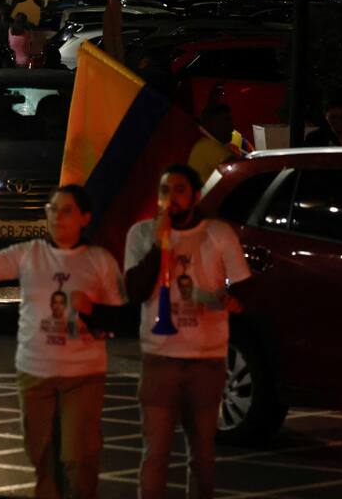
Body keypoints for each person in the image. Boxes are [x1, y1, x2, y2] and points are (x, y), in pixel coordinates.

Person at [0, 186, 126, 499]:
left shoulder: (99, 261)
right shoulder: (30, 253)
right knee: (40, 455)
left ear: (85, 218)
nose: (57, 217)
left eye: (67, 210)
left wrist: (93, 311)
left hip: (82, 375)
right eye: (52, 209)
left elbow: (121, 319)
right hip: (34, 371)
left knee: (78, 458)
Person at [123, 164, 253, 499]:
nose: (171, 198)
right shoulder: (140, 234)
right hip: (159, 358)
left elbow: (245, 288)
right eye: (165, 191)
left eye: (180, 190)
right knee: (155, 454)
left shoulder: (218, 234)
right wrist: (159, 245)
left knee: (203, 456)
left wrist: (228, 299)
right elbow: (135, 290)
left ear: (195, 196)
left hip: (206, 360)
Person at [187, 103, 250, 184]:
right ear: (210, 124)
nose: (231, 126)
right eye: (226, 121)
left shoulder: (206, 144)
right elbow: (242, 170)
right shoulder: (208, 146)